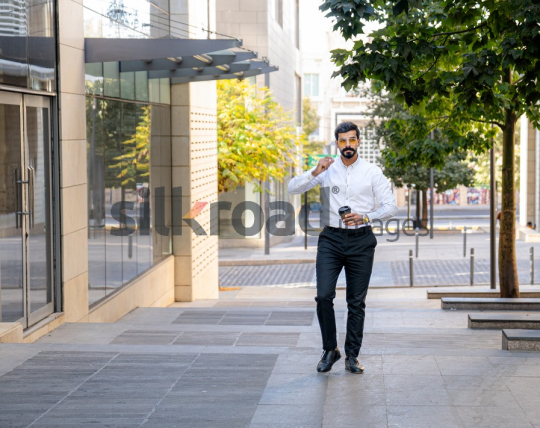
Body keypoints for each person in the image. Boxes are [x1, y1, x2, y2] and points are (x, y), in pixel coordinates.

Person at [288, 122, 397, 374]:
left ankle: (352, 356)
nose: (347, 145)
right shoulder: (326, 170)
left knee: (356, 302)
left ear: (359, 142)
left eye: (352, 140)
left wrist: (366, 217)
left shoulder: (372, 172)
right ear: (336, 143)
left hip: (361, 240)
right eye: (342, 141)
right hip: (331, 240)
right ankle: (330, 350)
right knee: (324, 296)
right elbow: (293, 187)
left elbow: (391, 207)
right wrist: (314, 172)